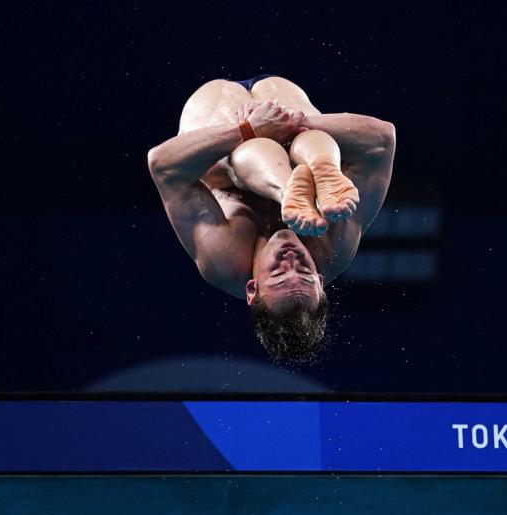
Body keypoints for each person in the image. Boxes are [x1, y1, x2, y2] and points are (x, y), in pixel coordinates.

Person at [147, 75, 395, 363]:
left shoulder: (223, 259)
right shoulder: (335, 244)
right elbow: (382, 141)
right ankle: (316, 166)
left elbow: (162, 165)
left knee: (240, 160)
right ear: (320, 280)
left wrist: (247, 129)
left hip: (220, 124)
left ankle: (289, 186)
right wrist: (293, 120)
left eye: (278, 274)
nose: (290, 260)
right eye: (303, 272)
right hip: (284, 107)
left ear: (252, 288)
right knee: (302, 145)